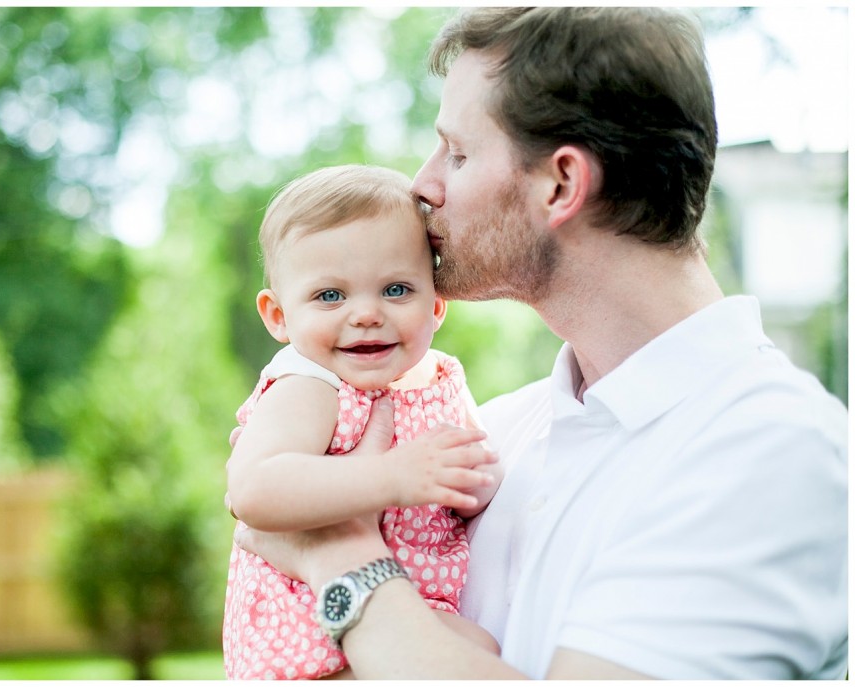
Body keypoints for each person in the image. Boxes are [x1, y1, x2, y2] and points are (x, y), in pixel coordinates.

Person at [235, 7, 848, 680]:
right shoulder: (495, 433)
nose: (422, 185)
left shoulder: (771, 449)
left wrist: (339, 559)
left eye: (458, 153)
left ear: (560, 184)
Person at [222, 164, 503, 680]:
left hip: (409, 608)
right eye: (330, 295)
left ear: (437, 305)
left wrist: (472, 480)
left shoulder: (441, 380)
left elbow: (478, 481)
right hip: (310, 630)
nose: (367, 314)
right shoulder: (308, 386)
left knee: (483, 649)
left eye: (396, 290)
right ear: (278, 316)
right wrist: (394, 477)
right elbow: (252, 490)